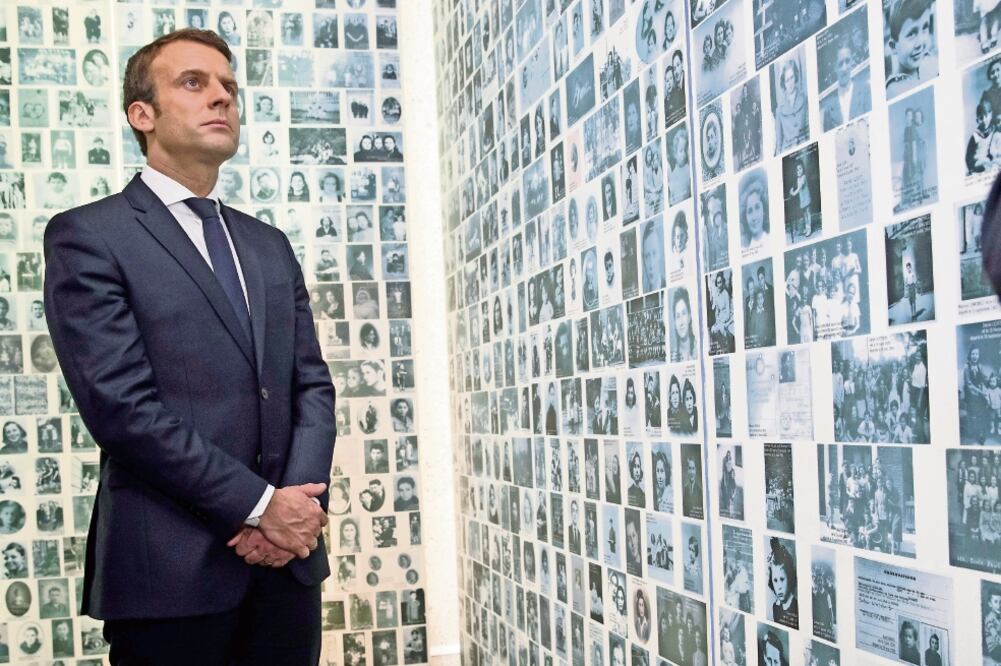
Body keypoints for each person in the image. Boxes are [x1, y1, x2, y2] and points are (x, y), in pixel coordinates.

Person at [42, 30, 335, 664]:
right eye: (194, 83)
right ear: (141, 115)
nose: (222, 97)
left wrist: (294, 513)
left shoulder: (269, 245)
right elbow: (123, 411)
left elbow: (310, 386)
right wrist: (260, 508)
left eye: (229, 86)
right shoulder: (88, 236)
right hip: (169, 576)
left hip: (287, 570)